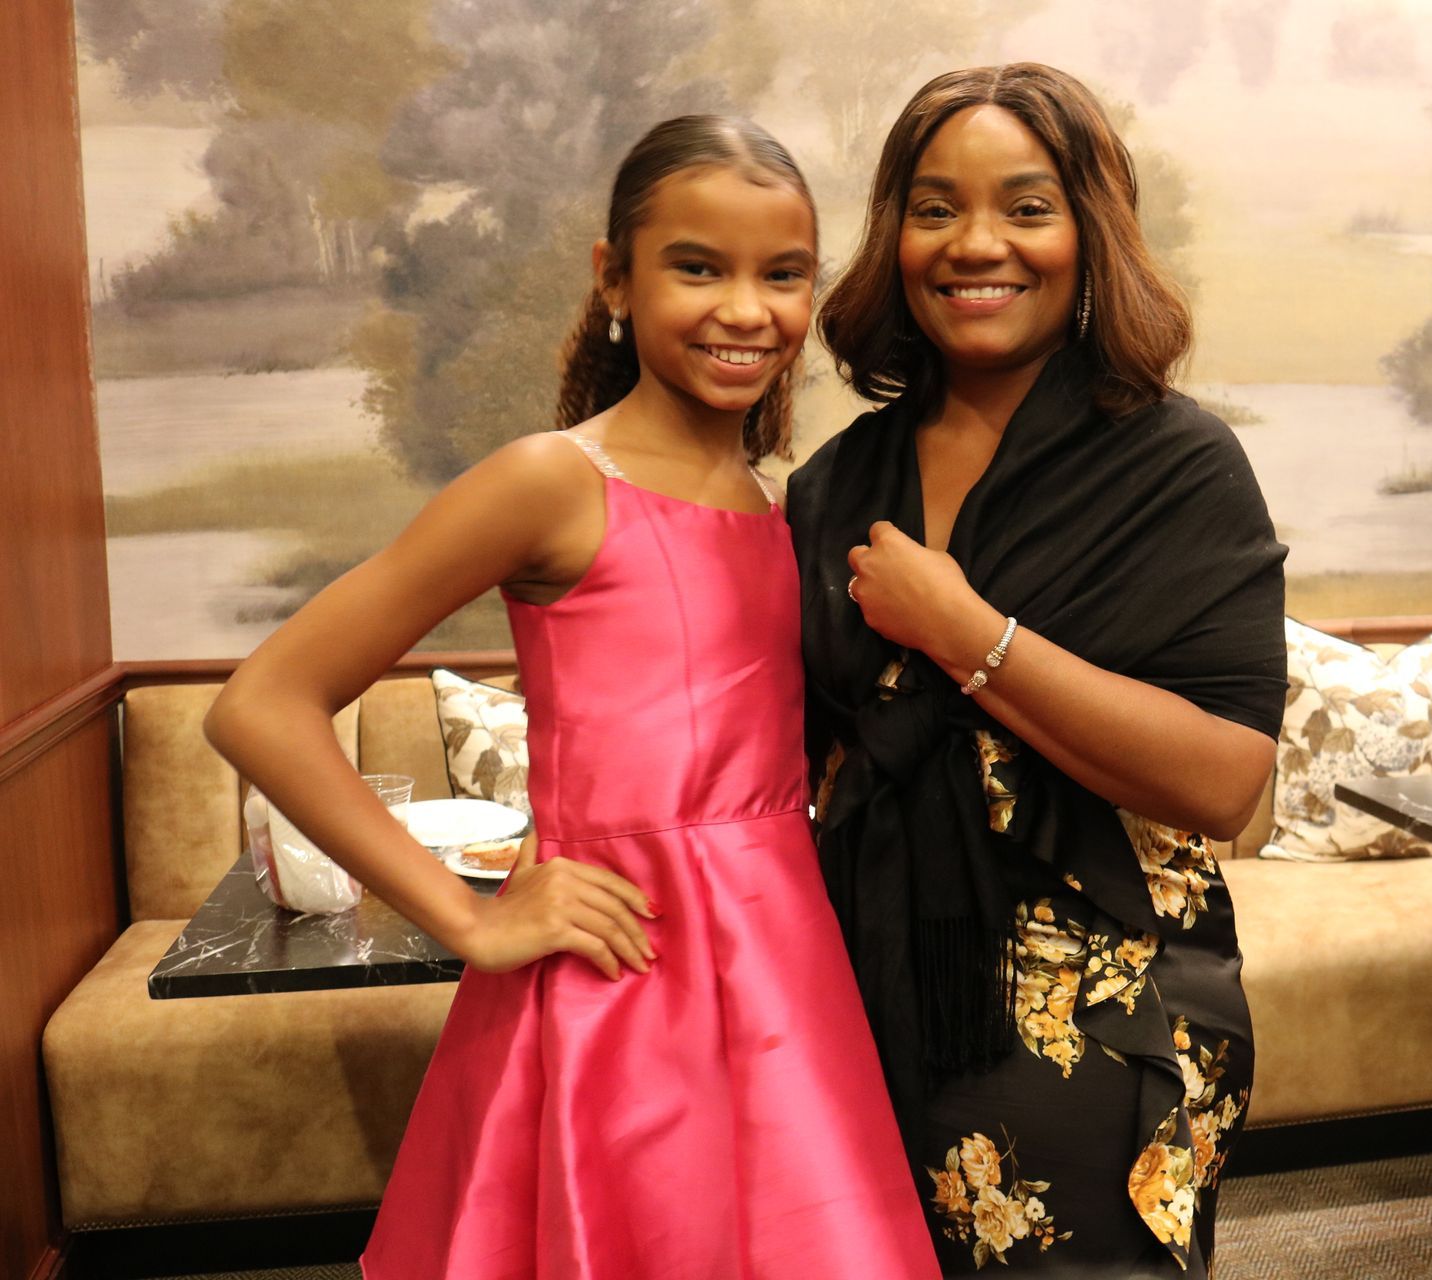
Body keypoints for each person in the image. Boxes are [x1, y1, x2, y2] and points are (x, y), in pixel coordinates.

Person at [205, 116, 940, 1279]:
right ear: (615, 278)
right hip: (624, 978)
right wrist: (467, 916)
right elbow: (260, 704)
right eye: (699, 266)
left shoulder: (777, 503)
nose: (747, 309)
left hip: (788, 972)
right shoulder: (553, 478)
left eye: (783, 274)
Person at [788, 65, 1289, 1277]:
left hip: (1101, 1019)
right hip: (865, 996)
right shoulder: (838, 482)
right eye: (933, 207)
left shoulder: (1176, 465)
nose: (976, 244)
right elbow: (814, 760)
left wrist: (968, 633)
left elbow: (1228, 783)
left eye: (1025, 205)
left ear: (1090, 233)